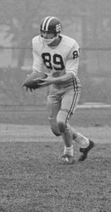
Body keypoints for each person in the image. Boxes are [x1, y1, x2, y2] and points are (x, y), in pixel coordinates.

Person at [24, 16, 95, 164]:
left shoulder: (70, 45)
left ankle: (68, 152)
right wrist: (34, 78)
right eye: (42, 32)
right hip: (54, 88)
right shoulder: (37, 42)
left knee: (62, 122)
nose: (44, 36)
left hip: (70, 87)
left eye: (48, 33)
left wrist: (51, 80)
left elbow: (71, 74)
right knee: (57, 129)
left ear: (56, 32)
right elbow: (37, 68)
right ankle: (85, 142)